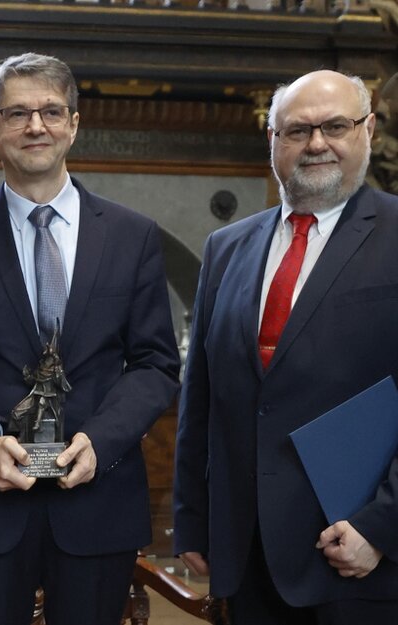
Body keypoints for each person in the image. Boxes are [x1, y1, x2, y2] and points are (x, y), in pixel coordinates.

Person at [0, 53, 180, 625]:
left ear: (74, 124)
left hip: (97, 498)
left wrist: (101, 442)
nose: (36, 126)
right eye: (18, 113)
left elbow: (156, 364)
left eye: (51, 111)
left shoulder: (133, 236)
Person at [174, 69, 398, 624]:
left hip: (357, 556)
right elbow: (199, 397)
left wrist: (381, 526)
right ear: (272, 141)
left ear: (368, 130)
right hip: (246, 557)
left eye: (335, 126)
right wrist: (193, 516)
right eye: (297, 131)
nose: (316, 143)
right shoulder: (226, 248)